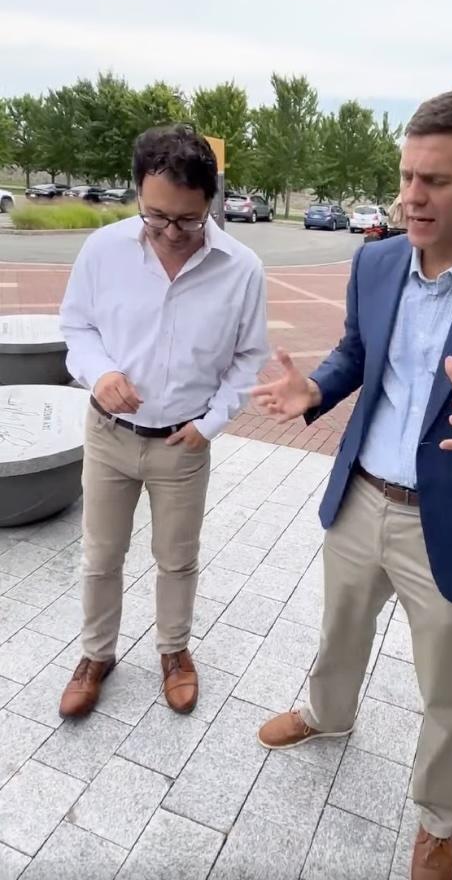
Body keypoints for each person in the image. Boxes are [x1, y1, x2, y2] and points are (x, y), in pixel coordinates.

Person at [253, 89, 452, 880]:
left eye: (435, 181)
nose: (411, 198)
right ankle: (328, 713)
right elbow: (358, 353)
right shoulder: (376, 261)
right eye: (406, 177)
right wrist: (316, 389)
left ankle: (438, 819)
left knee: (446, 684)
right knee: (340, 629)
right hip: (362, 495)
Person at [58, 124, 268, 719]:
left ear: (211, 203)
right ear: (137, 194)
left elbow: (249, 356)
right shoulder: (103, 251)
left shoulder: (242, 269)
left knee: (177, 558)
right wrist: (99, 373)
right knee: (101, 555)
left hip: (183, 441)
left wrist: (212, 423)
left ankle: (174, 650)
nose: (171, 232)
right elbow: (76, 326)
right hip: (109, 434)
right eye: (156, 216)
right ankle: (96, 654)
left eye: (188, 220)